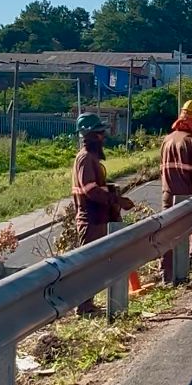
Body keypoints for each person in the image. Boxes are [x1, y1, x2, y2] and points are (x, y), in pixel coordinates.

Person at [71, 113, 132, 315]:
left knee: (96, 264)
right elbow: (90, 190)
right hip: (91, 220)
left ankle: (88, 305)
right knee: (89, 265)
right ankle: (84, 307)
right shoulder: (86, 159)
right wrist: (117, 201)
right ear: (90, 136)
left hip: (99, 218)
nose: (103, 137)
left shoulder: (90, 158)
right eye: (100, 134)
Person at [160, 99, 192, 282]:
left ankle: (166, 271)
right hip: (186, 194)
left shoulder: (167, 139)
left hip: (167, 193)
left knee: (168, 231)